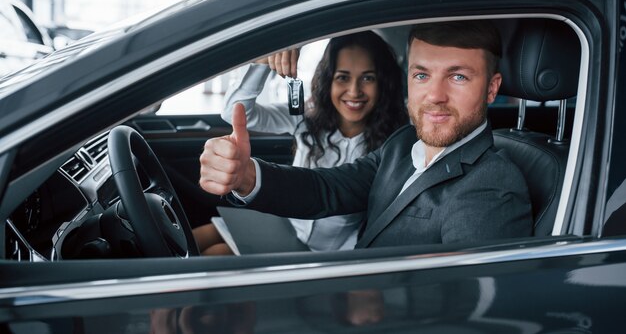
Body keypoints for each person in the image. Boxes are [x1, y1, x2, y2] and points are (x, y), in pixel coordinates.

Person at [198, 20, 533, 249]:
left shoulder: (490, 189)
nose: (434, 95)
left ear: (491, 89)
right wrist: (247, 176)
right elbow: (327, 189)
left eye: (458, 77)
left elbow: (464, 312)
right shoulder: (404, 144)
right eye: (421, 75)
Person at [193, 31, 408, 255]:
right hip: (283, 224)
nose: (354, 91)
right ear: (328, 79)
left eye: (368, 78)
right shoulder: (307, 117)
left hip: (326, 252)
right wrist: (263, 60)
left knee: (215, 254)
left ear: (383, 83)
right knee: (200, 236)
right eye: (342, 77)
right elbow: (234, 112)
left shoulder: (394, 143)